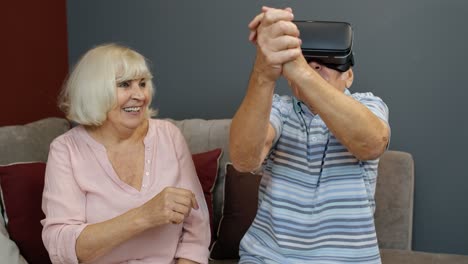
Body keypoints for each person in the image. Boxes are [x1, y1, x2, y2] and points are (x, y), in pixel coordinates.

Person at [230, 7, 390, 264]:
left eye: (325, 63)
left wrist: (302, 70)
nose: (315, 65)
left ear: (349, 76)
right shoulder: (278, 109)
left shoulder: (369, 106)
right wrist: (264, 71)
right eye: (307, 60)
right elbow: (244, 160)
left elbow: (371, 143)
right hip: (268, 257)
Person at [41, 43, 210, 264]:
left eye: (143, 83)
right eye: (124, 85)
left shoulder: (169, 136)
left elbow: (196, 231)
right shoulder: (66, 150)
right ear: (95, 90)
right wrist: (144, 216)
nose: (139, 95)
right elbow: (62, 247)